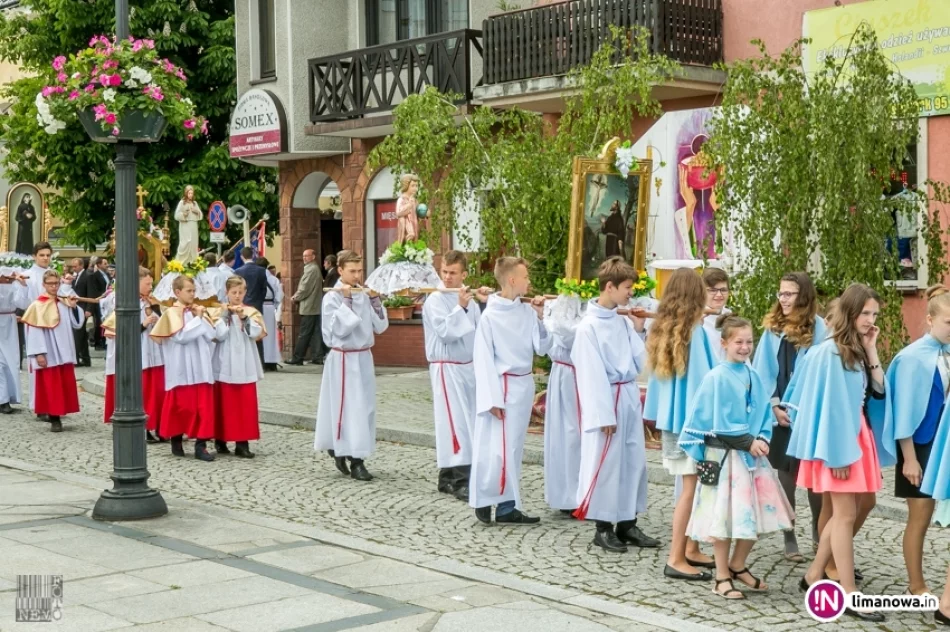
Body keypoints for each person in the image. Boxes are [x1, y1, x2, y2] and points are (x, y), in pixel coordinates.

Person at [789, 283, 887, 623]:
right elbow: (832, 409)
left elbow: (878, 391)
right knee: (844, 515)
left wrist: (872, 350)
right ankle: (848, 593)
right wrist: (840, 454)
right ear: (850, 312)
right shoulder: (834, 353)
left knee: (844, 512)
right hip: (841, 443)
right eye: (865, 314)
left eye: (875, 314)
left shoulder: (852, 349)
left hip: (854, 437)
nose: (871, 320)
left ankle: (815, 574)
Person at [679, 315, 794, 599]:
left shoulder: (752, 374)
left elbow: (763, 412)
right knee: (725, 518)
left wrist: (764, 439)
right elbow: (717, 420)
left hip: (752, 457)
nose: (745, 347)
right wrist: (748, 442)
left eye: (749, 342)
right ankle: (721, 576)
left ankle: (738, 564)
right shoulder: (716, 377)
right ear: (725, 343)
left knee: (755, 514)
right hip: (724, 456)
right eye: (738, 342)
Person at [571, 256, 659, 551]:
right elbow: (590, 374)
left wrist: (636, 329)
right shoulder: (588, 328)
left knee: (633, 461)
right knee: (606, 462)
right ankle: (603, 526)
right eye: (627, 287)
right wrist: (602, 414)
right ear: (609, 287)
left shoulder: (620, 321)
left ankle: (627, 522)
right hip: (606, 400)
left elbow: (638, 361)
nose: (630, 293)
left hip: (627, 396)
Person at [642, 267, 717, 581]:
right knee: (691, 491)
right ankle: (676, 557)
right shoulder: (694, 333)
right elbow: (704, 385)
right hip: (693, 426)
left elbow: (659, 387)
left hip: (674, 423)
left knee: (693, 489)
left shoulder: (664, 330)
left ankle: (690, 548)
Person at [752, 272, 827, 563]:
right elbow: (761, 373)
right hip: (780, 412)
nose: (783, 299)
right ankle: (789, 533)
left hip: (809, 413)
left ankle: (819, 532)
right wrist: (772, 407)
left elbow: (823, 373)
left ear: (804, 296)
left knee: (814, 479)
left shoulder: (820, 329)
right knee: (786, 477)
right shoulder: (772, 330)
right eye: (780, 293)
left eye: (789, 294)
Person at [469, 257, 550, 524]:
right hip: (502, 386)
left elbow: (542, 347)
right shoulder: (490, 316)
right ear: (512, 280)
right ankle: (484, 499)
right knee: (494, 448)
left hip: (522, 384)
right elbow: (482, 359)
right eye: (525, 277)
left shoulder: (526, 311)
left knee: (513, 448)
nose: (529, 281)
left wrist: (541, 318)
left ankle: (507, 506)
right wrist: (492, 398)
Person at [881, 285, 950, 597]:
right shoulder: (910, 359)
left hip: (944, 444)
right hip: (919, 447)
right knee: (920, 517)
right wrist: (908, 458)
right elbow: (903, 412)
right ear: (930, 319)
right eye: (949, 322)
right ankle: (916, 585)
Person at [314, 250, 389, 481]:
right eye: (352, 271)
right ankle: (356, 460)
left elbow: (380, 327)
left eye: (359, 271)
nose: (357, 276)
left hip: (364, 356)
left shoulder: (364, 294)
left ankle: (344, 449)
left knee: (364, 408)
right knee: (349, 408)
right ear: (340, 271)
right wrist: (347, 300)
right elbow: (334, 332)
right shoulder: (332, 297)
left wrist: (375, 300)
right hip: (344, 358)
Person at [422, 250, 487, 501]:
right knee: (454, 421)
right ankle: (460, 478)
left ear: (464, 274)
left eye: (453, 273)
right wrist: (460, 307)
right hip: (446, 366)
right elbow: (446, 332)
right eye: (444, 272)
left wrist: (476, 302)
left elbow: (477, 329)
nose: (447, 278)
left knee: (466, 420)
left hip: (467, 367)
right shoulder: (435, 300)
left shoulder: (466, 297)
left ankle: (447, 476)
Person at [150, 275, 218, 462]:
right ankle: (176, 438)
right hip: (181, 366)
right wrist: (198, 320)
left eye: (194, 290)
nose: (193, 294)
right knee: (181, 406)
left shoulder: (197, 311)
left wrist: (202, 319)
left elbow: (212, 334)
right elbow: (181, 337)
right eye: (189, 290)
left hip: (200, 364)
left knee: (203, 407)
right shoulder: (171, 313)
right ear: (178, 292)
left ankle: (201, 445)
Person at [101, 268, 165, 441]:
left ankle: (157, 424)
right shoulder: (121, 301)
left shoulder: (150, 301)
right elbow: (122, 330)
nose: (151, 287)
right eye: (147, 284)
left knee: (155, 390)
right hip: (136, 353)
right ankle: (142, 426)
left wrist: (157, 310)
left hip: (153, 351)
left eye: (152, 283)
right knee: (141, 390)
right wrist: (143, 324)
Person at [22, 270, 83, 432]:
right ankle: (54, 418)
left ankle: (59, 412)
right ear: (44, 285)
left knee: (63, 384)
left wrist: (75, 307)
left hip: (64, 350)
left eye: (56, 283)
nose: (54, 287)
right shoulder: (37, 306)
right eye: (50, 284)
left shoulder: (63, 303)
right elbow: (34, 332)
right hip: (48, 351)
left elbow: (76, 324)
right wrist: (39, 353)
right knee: (52, 386)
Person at [212, 276, 265, 458]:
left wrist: (244, 318)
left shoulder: (250, 312)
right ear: (227, 292)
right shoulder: (219, 311)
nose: (237, 296)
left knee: (244, 405)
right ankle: (221, 439)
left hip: (245, 362)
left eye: (240, 292)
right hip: (225, 360)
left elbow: (256, 333)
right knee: (224, 403)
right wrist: (226, 316)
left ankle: (242, 443)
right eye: (233, 292)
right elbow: (218, 335)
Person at [543, 292, 585, 515]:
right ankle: (568, 495)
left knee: (581, 435)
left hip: (584, 373)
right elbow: (564, 332)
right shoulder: (563, 302)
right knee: (568, 435)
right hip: (567, 373)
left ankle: (584, 491)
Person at [288, 249, 324, 365]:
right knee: (315, 332)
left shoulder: (311, 269)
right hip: (314, 306)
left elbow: (305, 288)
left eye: (307, 256)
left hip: (309, 306)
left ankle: (298, 358)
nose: (304, 258)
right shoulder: (313, 268)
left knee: (304, 333)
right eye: (303, 256)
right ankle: (317, 356)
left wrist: (295, 297)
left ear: (313, 256)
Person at [235, 247, 268, 362]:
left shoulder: (238, 271)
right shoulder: (261, 270)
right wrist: (259, 301)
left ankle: (246, 360)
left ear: (242, 256)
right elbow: (264, 289)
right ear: (253, 256)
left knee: (243, 332)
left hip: (243, 305)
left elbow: (237, 289)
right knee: (258, 332)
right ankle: (260, 361)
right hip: (257, 304)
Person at [0, 269, 23, 414]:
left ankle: (8, 396)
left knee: (10, 361)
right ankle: (3, 400)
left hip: (9, 325)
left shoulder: (15, 287)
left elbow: (22, 301)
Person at [258, 257, 283, 371]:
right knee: (271, 335)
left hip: (259, 306)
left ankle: (262, 359)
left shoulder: (257, 277)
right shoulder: (273, 279)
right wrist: (276, 306)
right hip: (269, 306)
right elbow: (279, 295)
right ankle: (271, 361)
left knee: (260, 333)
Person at [701, 267, 731, 358]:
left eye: (723, 290)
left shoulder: (731, 317)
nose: (719, 295)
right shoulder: (697, 320)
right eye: (712, 290)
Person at [69, 258, 91, 367]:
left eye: (75, 266)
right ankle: (86, 359)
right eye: (72, 266)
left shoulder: (87, 276)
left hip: (83, 308)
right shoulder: (75, 276)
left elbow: (90, 293)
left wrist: (89, 309)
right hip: (76, 307)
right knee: (80, 335)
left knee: (78, 334)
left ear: (81, 265)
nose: (73, 268)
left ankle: (76, 358)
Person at [174, 185, 202, 264]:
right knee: (185, 242)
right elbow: (176, 215)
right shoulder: (182, 203)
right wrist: (184, 214)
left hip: (193, 224)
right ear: (186, 193)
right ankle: (182, 262)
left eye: (192, 193)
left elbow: (200, 214)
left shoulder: (194, 203)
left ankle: (193, 262)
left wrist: (196, 211)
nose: (190, 195)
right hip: (185, 225)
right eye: (189, 193)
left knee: (193, 243)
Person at [88, 256, 110, 351]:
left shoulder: (107, 275)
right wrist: (101, 297)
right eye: (105, 263)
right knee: (99, 322)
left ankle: (104, 339)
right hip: (100, 301)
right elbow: (95, 290)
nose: (107, 265)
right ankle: (97, 342)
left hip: (107, 301)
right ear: (99, 265)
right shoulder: (94, 276)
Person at [395, 174, 420, 243]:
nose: (415, 188)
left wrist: (425, 213)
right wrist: (409, 204)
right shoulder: (401, 199)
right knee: (407, 242)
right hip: (406, 229)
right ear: (406, 186)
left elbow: (418, 212)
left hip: (414, 227)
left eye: (416, 186)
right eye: (413, 186)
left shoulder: (414, 200)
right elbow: (398, 213)